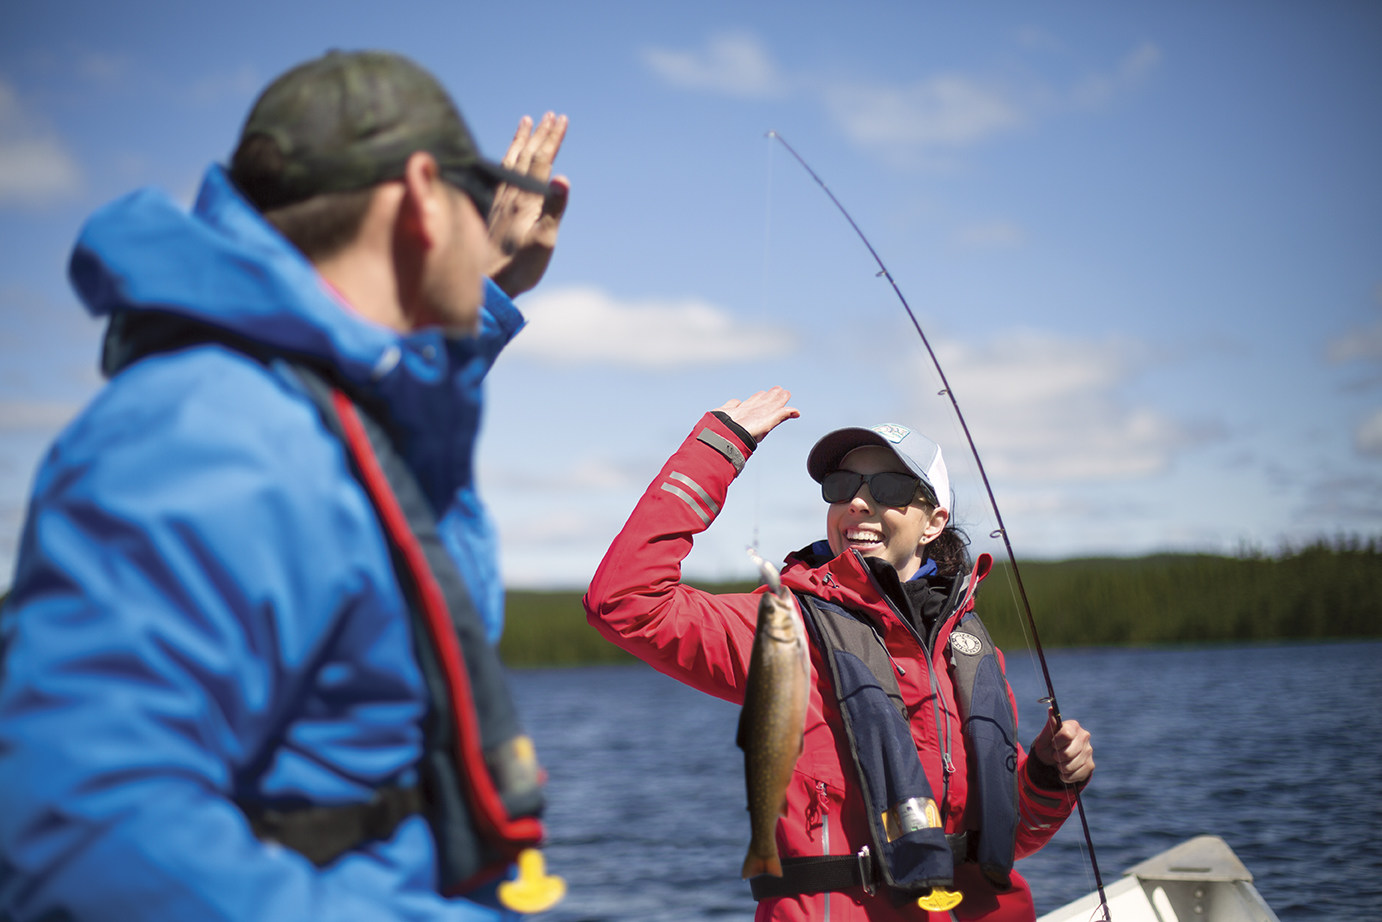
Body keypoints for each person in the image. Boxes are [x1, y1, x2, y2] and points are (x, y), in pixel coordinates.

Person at [0, 50, 570, 921]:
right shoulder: (205, 432)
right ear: (421, 195)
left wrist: (475, 289)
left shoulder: (302, 419)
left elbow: (393, 531)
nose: (495, 221)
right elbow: (85, 835)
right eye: (473, 197)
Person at [584, 387, 1095, 922]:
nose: (857, 501)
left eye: (891, 487)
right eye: (842, 485)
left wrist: (1046, 775)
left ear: (934, 521)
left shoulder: (968, 646)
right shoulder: (783, 628)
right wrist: (717, 451)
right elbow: (623, 603)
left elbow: (1012, 835)